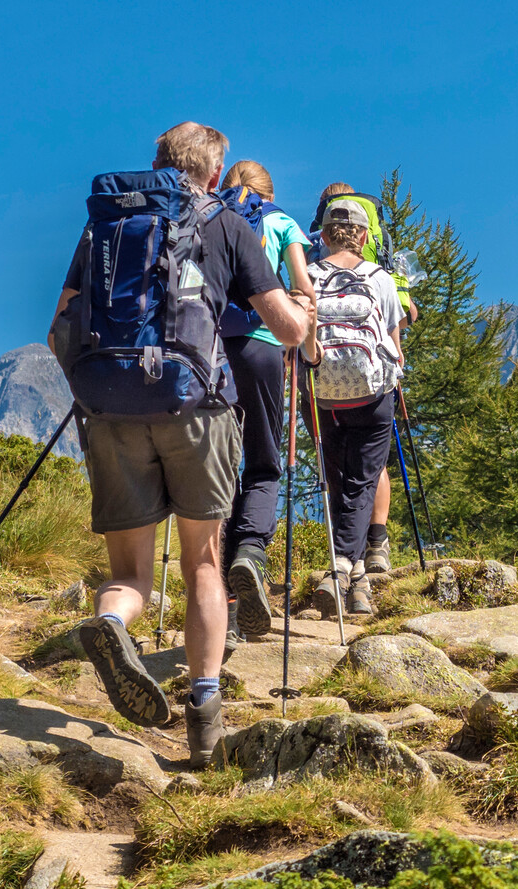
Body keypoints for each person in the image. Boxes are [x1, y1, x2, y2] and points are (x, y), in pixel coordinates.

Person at [47, 122, 315, 768]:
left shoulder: (105, 225)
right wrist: (307, 306)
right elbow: (287, 329)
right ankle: (204, 716)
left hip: (110, 409)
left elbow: (60, 324)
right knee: (202, 562)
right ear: (216, 175)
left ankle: (111, 625)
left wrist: (95, 391)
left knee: (131, 574)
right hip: (198, 406)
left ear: (157, 162)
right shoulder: (227, 222)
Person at [216, 160, 313, 640]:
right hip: (263, 346)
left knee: (216, 471)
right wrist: (307, 347)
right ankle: (251, 554)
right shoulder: (280, 221)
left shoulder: (209, 216)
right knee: (263, 463)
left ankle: (222, 603)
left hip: (208, 353)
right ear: (268, 191)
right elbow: (304, 286)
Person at [301, 196, 405, 616]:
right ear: (364, 236)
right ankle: (345, 568)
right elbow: (395, 346)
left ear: (323, 236)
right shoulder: (380, 278)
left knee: (340, 479)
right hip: (373, 395)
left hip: (323, 395)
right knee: (363, 483)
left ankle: (353, 576)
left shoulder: (307, 275)